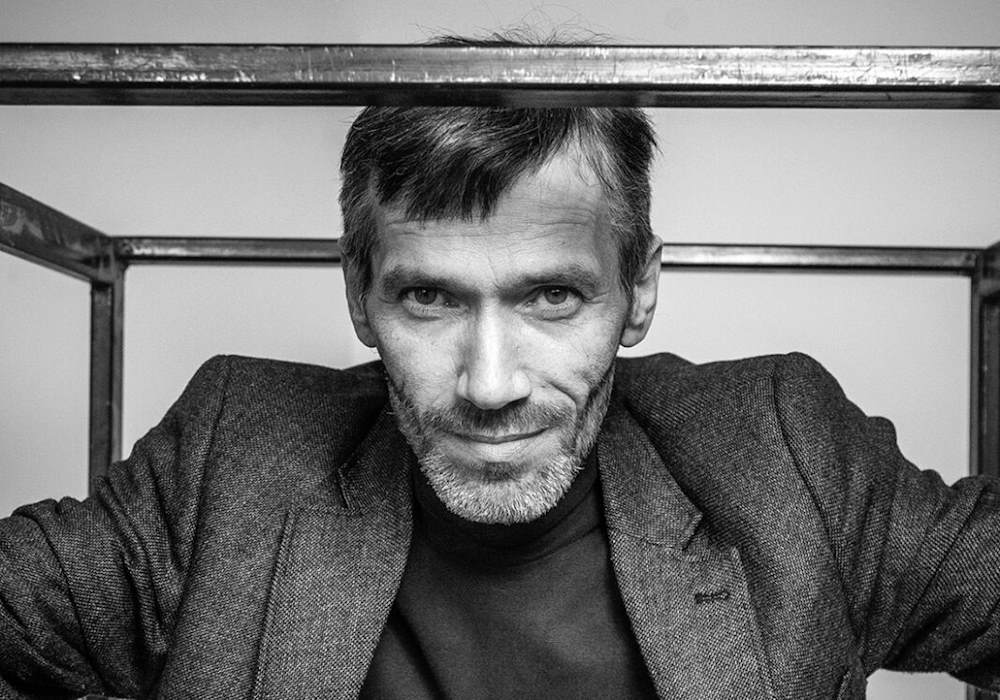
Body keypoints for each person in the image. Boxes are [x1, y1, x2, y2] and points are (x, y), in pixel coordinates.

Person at [2, 50, 1000, 700]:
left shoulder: (783, 454)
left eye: (552, 296)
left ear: (639, 291)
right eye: (429, 298)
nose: (489, 386)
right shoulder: (236, 454)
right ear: (359, 295)